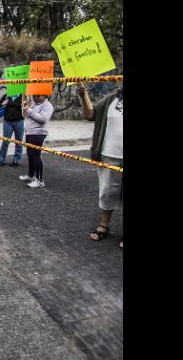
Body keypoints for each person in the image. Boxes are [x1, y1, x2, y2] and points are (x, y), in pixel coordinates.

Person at [76, 81, 123, 249]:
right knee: (107, 191)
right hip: (109, 154)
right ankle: (104, 224)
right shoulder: (112, 99)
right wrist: (83, 95)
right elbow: (90, 114)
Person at [18, 94, 54, 188]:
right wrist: (24, 107)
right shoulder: (33, 104)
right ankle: (31, 176)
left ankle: (40, 180)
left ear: (45, 96)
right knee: (30, 155)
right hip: (29, 132)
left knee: (36, 156)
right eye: (34, 96)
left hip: (38, 133)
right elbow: (24, 115)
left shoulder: (47, 105)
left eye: (38, 96)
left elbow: (43, 119)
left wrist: (29, 110)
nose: (35, 98)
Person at [0, 93, 25, 166]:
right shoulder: (6, 95)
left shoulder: (23, 96)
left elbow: (27, 107)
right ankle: (1, 159)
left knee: (18, 141)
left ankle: (16, 160)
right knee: (5, 140)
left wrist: (24, 106)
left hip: (19, 121)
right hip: (7, 122)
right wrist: (3, 103)